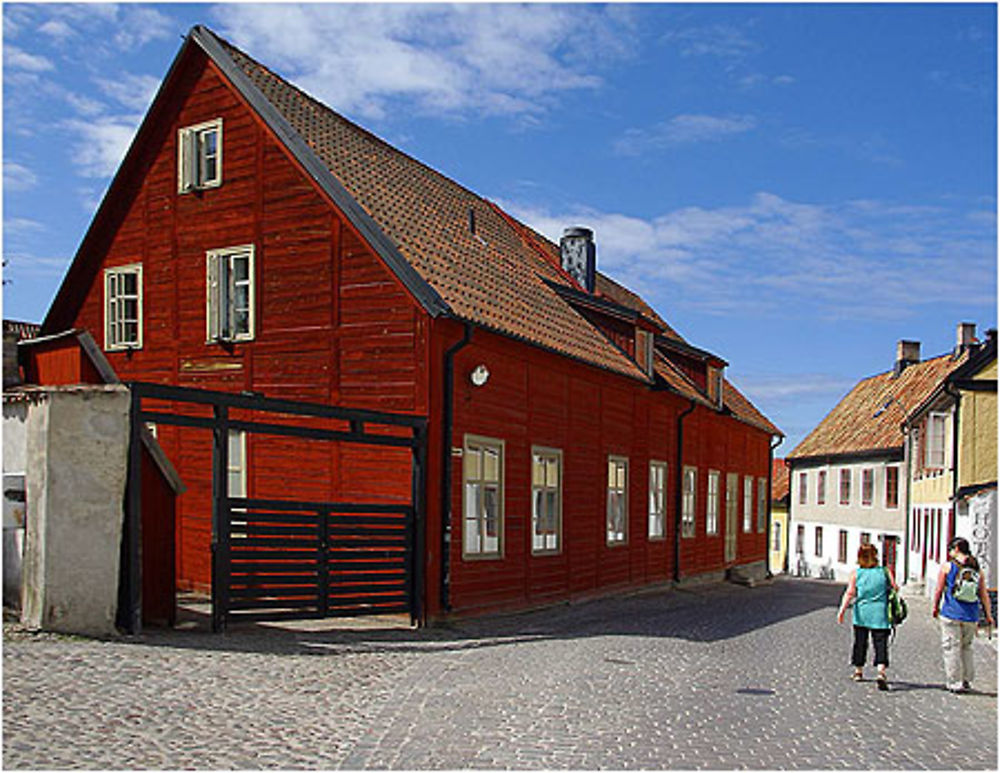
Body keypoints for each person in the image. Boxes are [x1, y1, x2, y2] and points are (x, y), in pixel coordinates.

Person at [931, 537, 995, 693]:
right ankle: (967, 679)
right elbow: (983, 594)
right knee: (967, 648)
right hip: (971, 615)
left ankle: (954, 681)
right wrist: (988, 614)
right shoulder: (976, 569)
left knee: (951, 648)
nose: (950, 552)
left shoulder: (947, 567)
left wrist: (935, 607)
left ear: (957, 548)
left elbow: (939, 589)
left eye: (951, 549)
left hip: (951, 614)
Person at [837, 543, 897, 691]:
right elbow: (895, 587)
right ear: (875, 555)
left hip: (862, 613)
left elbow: (850, 593)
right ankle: (881, 671)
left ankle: (858, 671)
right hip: (880, 613)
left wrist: (842, 610)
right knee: (880, 643)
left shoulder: (856, 573)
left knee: (860, 642)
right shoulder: (885, 572)